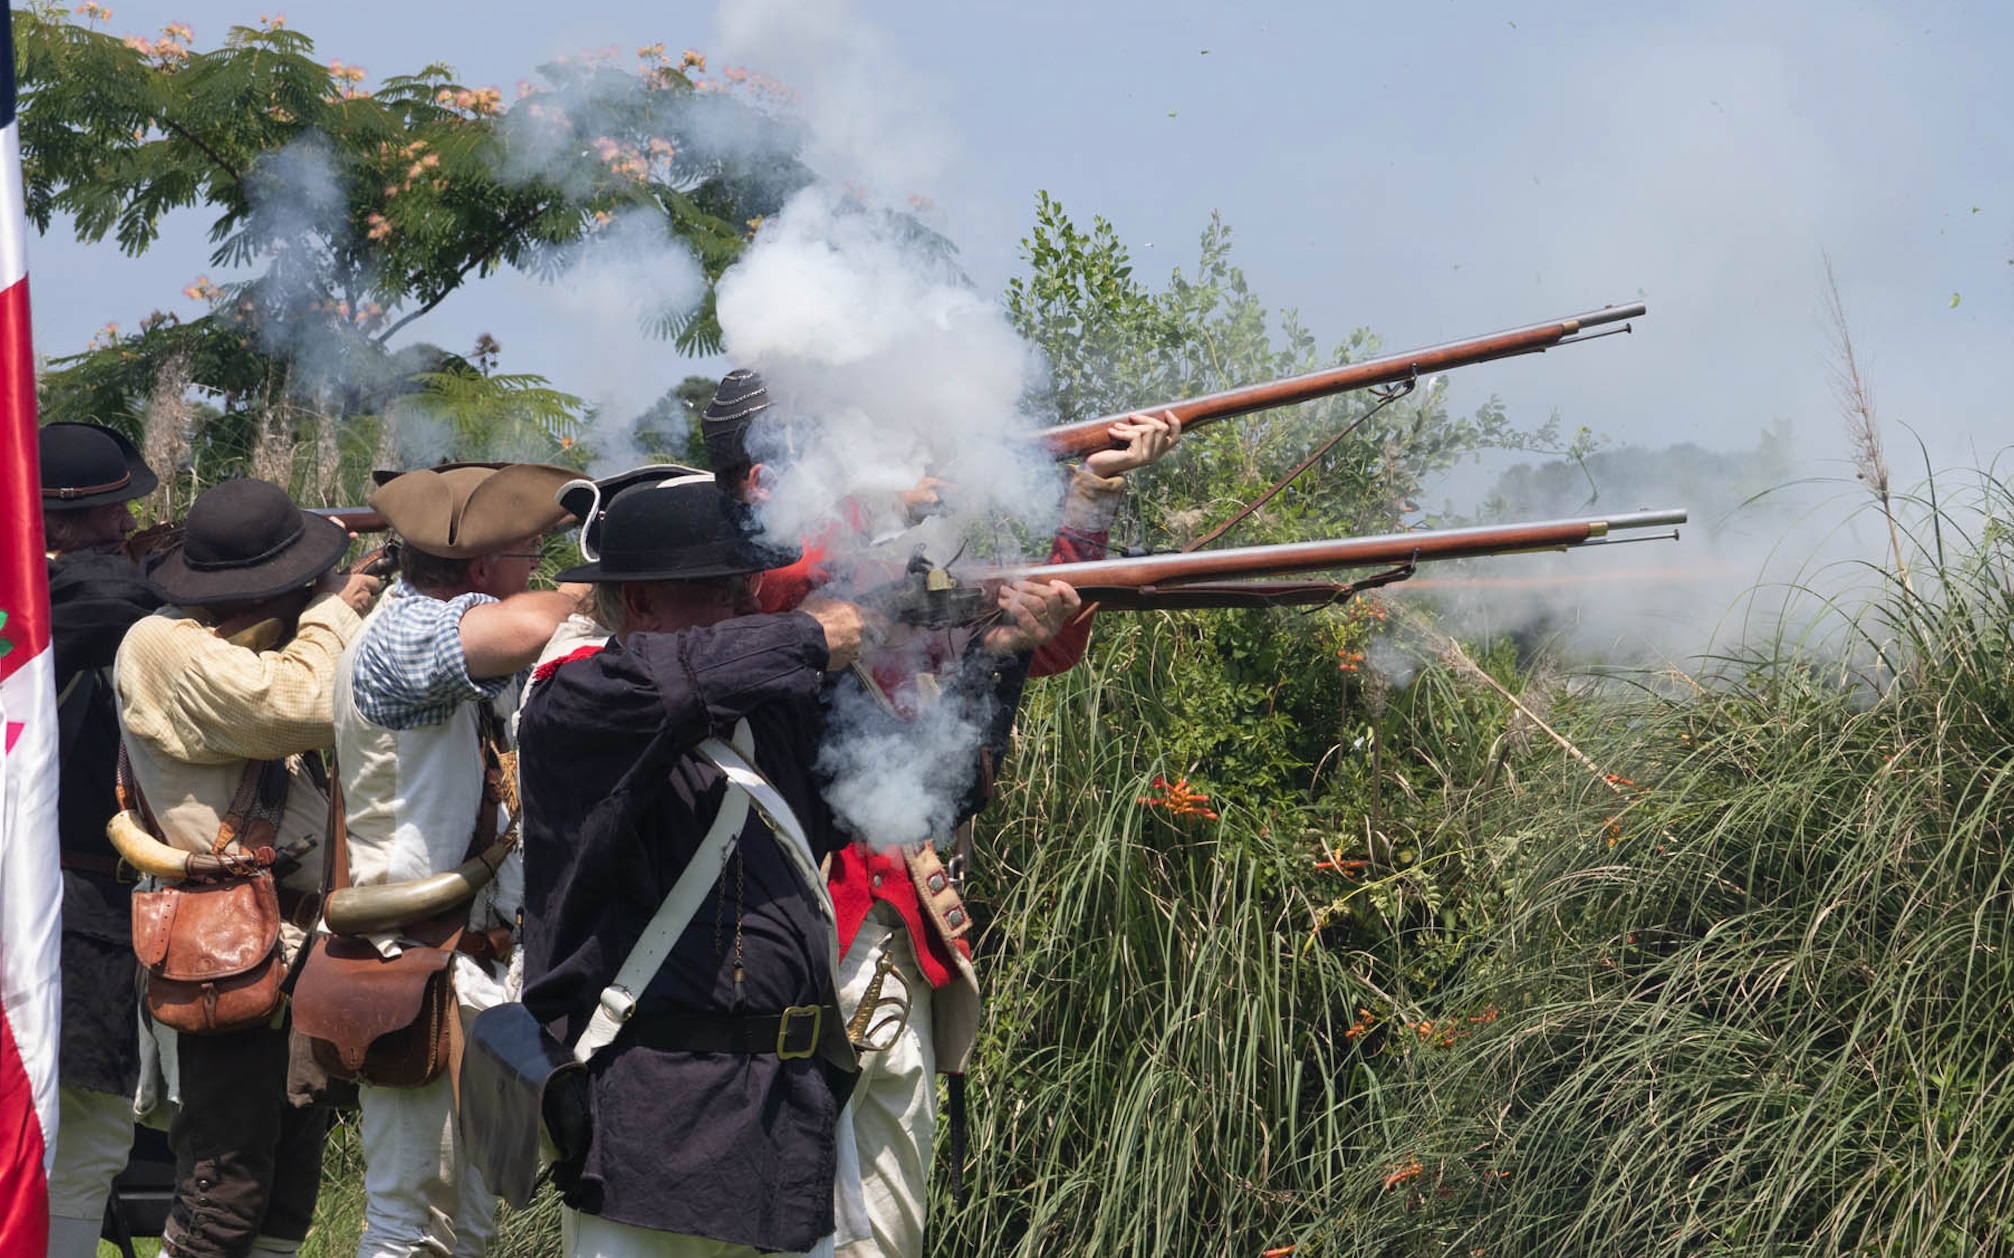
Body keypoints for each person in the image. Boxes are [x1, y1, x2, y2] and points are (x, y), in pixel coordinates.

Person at [696, 369, 1179, 1257]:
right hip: (774, 941)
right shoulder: (731, 578)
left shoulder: (883, 563)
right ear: (762, 478)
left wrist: (1090, 493)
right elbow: (784, 591)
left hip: (895, 924)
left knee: (886, 1226)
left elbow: (1043, 637)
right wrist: (882, 493)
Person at [516, 478, 868, 1257]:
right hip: (656, 1115)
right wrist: (812, 637)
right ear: (640, 605)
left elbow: (884, 800)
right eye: (726, 591)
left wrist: (996, 657)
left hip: (784, 1109)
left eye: (752, 588)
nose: (753, 608)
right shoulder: (584, 698)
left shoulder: (759, 708)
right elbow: (671, 685)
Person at [114, 477, 380, 1258]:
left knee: (285, 1190)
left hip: (297, 943)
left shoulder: (239, 635)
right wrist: (337, 609)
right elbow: (297, 705)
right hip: (227, 948)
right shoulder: (164, 642)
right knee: (219, 1190)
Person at [332, 461, 584, 1258]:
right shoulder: (403, 630)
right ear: (480, 569)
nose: (534, 574)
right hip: (413, 966)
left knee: (468, 1224)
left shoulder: (442, 622)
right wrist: (616, 588)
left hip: (468, 970)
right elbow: (527, 628)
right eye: (525, 557)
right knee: (411, 1224)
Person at [41, 423, 164, 1258]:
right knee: (85, 1144)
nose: (124, 526)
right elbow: (106, 602)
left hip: (57, 908)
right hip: (76, 915)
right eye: (108, 514)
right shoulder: (99, 599)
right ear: (52, 526)